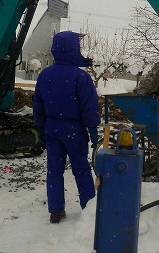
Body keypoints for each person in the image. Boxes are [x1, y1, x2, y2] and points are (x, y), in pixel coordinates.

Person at [33, 31, 100, 224]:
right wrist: (93, 130)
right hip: (73, 129)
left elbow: (38, 106)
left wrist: (42, 128)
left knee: (54, 171)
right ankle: (88, 209)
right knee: (81, 170)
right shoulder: (80, 77)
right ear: (74, 49)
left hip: (52, 128)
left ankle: (55, 211)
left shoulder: (45, 75)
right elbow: (89, 107)